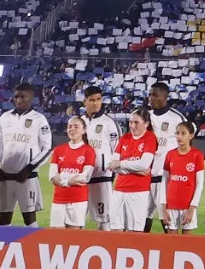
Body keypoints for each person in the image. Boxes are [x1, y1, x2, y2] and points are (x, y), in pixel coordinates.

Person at [0, 83, 52, 228]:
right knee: (3, 220)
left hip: (26, 177)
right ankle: (3, 248)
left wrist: (29, 168)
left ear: (31, 98)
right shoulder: (5, 117)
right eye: (16, 97)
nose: (18, 100)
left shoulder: (39, 119)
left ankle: (32, 248)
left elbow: (47, 148)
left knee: (29, 219)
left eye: (23, 97)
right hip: (5, 177)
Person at [79, 87, 122, 230]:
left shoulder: (109, 122)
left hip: (101, 176)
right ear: (84, 101)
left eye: (98, 99)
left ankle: (104, 248)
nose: (95, 103)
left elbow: (117, 149)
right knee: (76, 218)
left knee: (104, 219)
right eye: (91, 100)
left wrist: (112, 173)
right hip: (80, 177)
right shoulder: (79, 122)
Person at [110, 112, 160, 233]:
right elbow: (112, 164)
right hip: (119, 189)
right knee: (115, 230)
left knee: (135, 232)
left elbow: (144, 164)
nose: (132, 126)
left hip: (138, 191)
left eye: (136, 122)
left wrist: (122, 163)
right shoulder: (125, 138)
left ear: (146, 124)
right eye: (131, 122)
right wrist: (135, 169)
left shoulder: (150, 138)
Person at [48, 115, 96, 228]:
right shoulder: (59, 150)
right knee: (55, 239)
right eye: (70, 126)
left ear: (83, 130)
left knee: (74, 239)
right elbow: (52, 176)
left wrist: (63, 177)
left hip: (78, 200)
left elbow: (85, 177)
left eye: (76, 126)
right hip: (58, 199)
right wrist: (70, 181)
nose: (72, 129)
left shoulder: (88, 151)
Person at [143, 81, 193, 159]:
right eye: (150, 95)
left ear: (165, 97)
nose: (151, 98)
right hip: (146, 168)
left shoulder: (177, 118)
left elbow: (188, 141)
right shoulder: (144, 116)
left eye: (155, 95)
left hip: (168, 168)